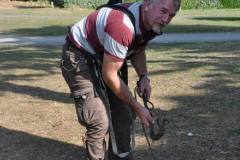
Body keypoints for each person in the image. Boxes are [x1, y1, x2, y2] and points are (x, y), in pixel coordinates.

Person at [60, 0, 181, 159]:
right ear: (147, 4)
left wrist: (144, 76)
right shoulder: (122, 26)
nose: (165, 19)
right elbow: (109, 75)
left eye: (171, 15)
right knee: (98, 122)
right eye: (163, 11)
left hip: (106, 55)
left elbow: (139, 48)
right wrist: (138, 106)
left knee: (124, 116)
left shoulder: (152, 22)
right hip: (80, 55)